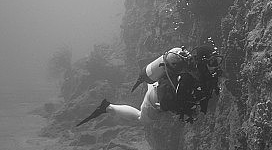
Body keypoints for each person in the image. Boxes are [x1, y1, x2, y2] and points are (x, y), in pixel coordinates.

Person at [76, 44, 220, 127]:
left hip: (161, 87)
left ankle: (149, 84)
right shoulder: (188, 78)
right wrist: (187, 111)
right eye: (213, 62)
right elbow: (172, 102)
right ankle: (107, 107)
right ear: (203, 62)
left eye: (218, 61)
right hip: (155, 98)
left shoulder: (200, 73)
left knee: (154, 92)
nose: (216, 66)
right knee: (141, 119)